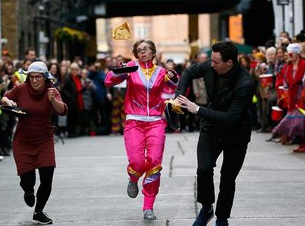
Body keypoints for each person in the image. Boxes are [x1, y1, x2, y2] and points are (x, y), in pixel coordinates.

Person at [174, 41, 255, 226]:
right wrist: (179, 96)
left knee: (228, 178)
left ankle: (222, 218)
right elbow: (188, 72)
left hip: (236, 133)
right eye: (211, 60)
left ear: (230, 63)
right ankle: (206, 208)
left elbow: (231, 118)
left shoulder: (245, 82)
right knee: (203, 168)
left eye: (216, 62)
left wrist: (198, 109)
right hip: (210, 127)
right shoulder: (211, 66)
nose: (211, 64)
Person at [104, 39, 178, 221]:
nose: (143, 52)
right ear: (136, 54)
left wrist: (174, 78)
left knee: (154, 162)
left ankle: (148, 207)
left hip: (155, 122)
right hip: (134, 122)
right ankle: (133, 178)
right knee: (137, 162)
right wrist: (118, 70)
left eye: (146, 49)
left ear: (153, 52)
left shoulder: (161, 72)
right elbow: (108, 82)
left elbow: (173, 90)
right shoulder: (130, 68)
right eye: (139, 50)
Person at [0, 61, 67, 225]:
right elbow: (5, 97)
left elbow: (62, 110)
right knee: (28, 181)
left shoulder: (51, 91)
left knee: (46, 179)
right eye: (31, 77)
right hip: (23, 141)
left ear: (45, 78)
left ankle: (38, 211)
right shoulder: (21, 89)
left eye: (38, 77)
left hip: (44, 139)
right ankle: (28, 191)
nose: (34, 80)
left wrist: (52, 100)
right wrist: (9, 102)